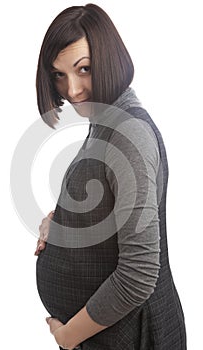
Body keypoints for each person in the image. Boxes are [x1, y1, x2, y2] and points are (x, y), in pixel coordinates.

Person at [34, 3, 187, 349]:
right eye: (59, 74)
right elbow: (110, 208)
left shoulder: (128, 135)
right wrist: (62, 225)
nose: (71, 90)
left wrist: (66, 336)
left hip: (135, 337)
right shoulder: (105, 123)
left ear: (109, 57)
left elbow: (139, 274)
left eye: (83, 69)